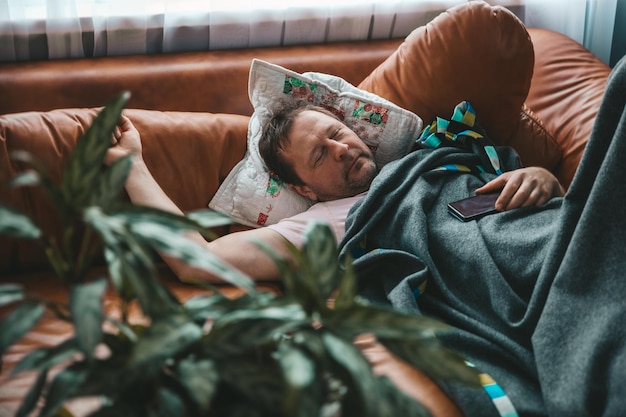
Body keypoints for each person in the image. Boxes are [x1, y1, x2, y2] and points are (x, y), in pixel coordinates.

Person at [106, 101, 566, 417]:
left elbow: (554, 205)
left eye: (337, 134)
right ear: (305, 188)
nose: (342, 150)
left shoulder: (431, 159)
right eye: (320, 155)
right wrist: (134, 165)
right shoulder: (324, 222)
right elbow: (196, 260)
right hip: (516, 284)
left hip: (548, 235)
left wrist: (543, 177)